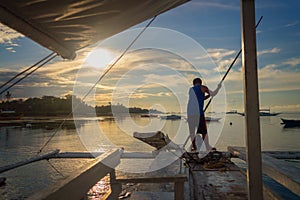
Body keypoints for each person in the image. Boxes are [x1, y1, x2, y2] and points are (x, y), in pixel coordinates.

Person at [187, 78, 221, 152]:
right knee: (204, 132)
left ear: (194, 83)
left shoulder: (191, 90)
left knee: (192, 132)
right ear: (200, 82)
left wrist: (208, 96)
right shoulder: (203, 87)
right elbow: (213, 93)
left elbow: (201, 98)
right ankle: (207, 147)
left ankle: (194, 147)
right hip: (198, 113)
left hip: (190, 113)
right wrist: (218, 87)